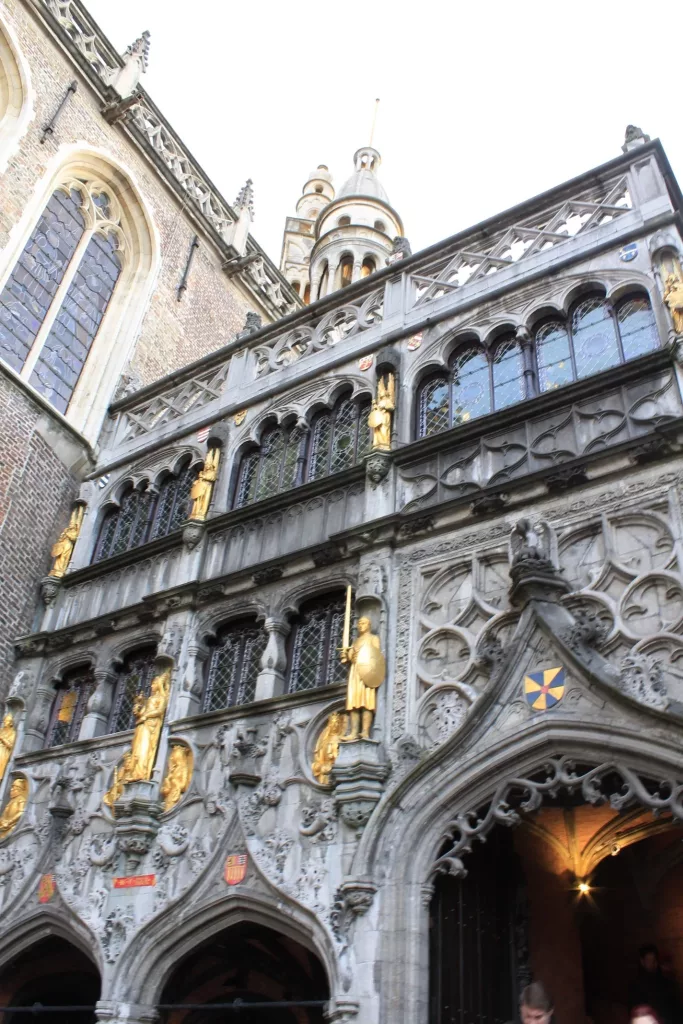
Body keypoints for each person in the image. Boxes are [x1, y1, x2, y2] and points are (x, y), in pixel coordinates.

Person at [629, 945, 682, 1024]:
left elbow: (674, 1007)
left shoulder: (665, 981)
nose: (652, 963)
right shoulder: (636, 985)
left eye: (653, 960)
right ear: (642, 961)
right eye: (648, 960)